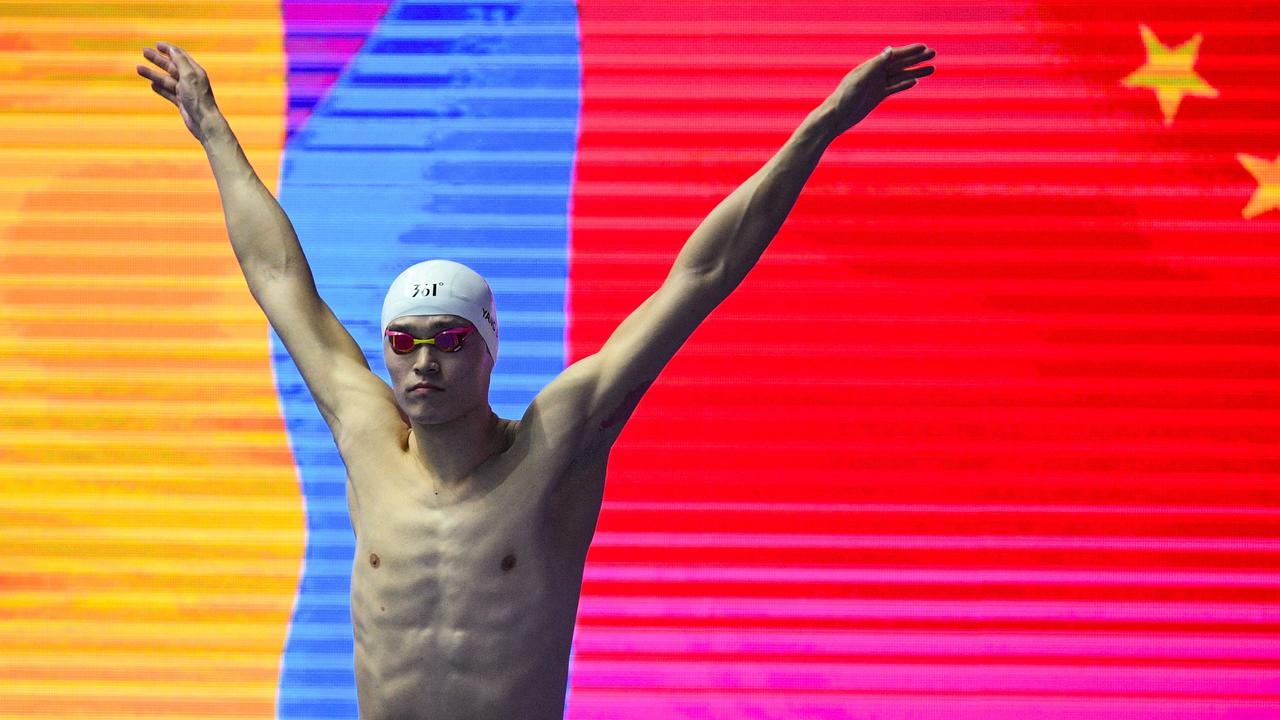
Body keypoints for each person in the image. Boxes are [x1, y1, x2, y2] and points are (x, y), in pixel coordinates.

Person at [136, 39, 935, 720]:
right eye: (405, 342)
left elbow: (702, 274)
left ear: (488, 350)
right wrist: (211, 129)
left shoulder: (556, 445)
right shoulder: (366, 434)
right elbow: (277, 274)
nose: (424, 361)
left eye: (449, 339)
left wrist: (823, 124)